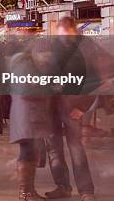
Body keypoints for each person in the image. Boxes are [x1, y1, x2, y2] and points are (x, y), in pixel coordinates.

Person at [44, 17, 96, 201]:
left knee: (76, 149)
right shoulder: (57, 47)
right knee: (54, 149)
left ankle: (86, 190)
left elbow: (94, 79)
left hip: (74, 106)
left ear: (73, 30)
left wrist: (82, 107)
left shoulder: (86, 47)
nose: (63, 39)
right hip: (53, 105)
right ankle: (62, 186)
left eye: (65, 35)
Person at [8, 38, 57, 200]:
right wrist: (49, 88)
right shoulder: (25, 66)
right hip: (26, 115)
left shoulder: (28, 64)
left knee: (29, 152)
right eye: (44, 55)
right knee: (27, 152)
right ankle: (25, 192)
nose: (46, 58)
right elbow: (25, 89)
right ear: (35, 52)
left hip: (29, 115)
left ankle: (29, 191)